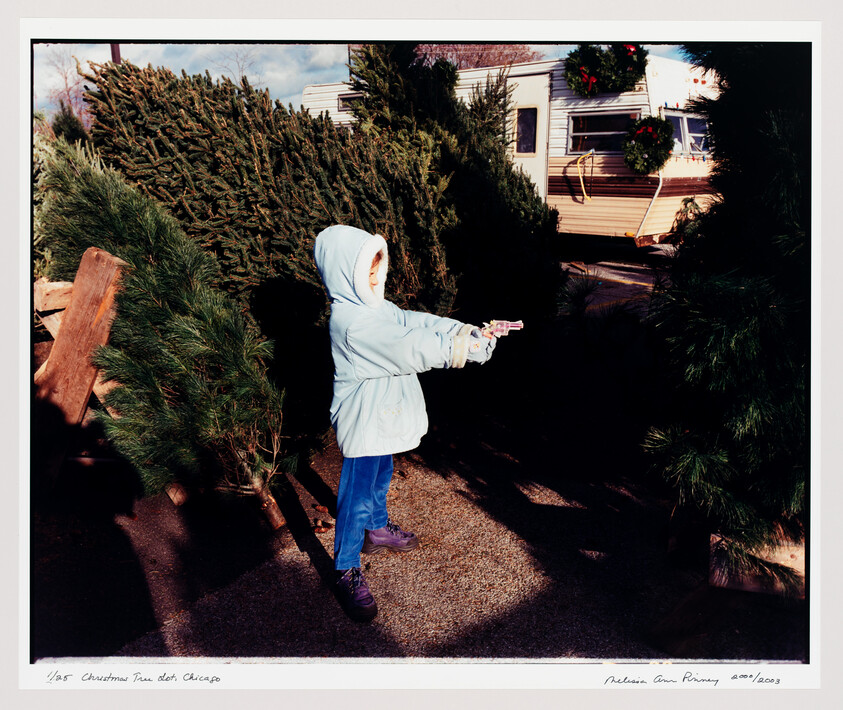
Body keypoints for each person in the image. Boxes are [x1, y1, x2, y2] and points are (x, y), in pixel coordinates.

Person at [313, 224, 496, 622]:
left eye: (380, 271)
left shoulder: (378, 309)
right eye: (369, 273)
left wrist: (461, 331)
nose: (378, 280)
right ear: (345, 274)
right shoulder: (351, 323)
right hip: (365, 423)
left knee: (382, 473)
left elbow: (416, 322)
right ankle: (345, 566)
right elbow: (408, 345)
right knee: (355, 494)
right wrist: (459, 350)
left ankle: (377, 530)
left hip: (383, 418)